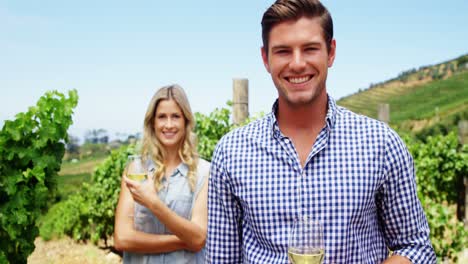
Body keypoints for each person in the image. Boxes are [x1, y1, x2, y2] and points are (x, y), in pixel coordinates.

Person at [206, 0, 436, 263]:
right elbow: (221, 260)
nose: (297, 63)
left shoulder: (381, 144)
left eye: (310, 49)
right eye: (282, 51)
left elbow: (415, 247)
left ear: (331, 52)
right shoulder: (231, 151)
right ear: (265, 59)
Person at [114, 84, 209, 263]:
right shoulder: (135, 170)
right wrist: (181, 241)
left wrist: (153, 203)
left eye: (175, 117)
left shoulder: (205, 173)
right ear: (153, 122)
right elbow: (122, 238)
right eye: (162, 117)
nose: (168, 125)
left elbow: (197, 238)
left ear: (186, 121)